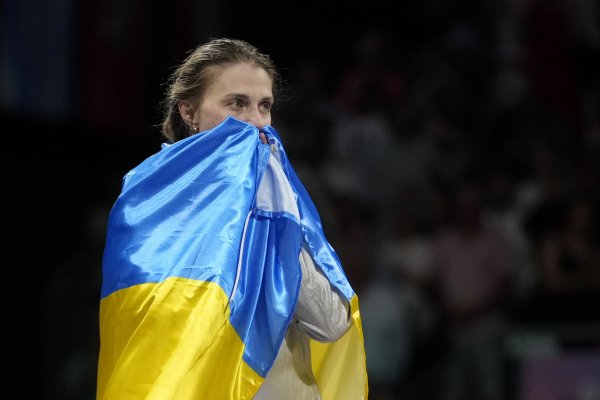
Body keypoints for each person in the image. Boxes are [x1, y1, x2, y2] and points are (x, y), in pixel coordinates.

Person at [97, 38, 368, 400]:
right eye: (237, 104)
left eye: (264, 106)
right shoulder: (145, 201)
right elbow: (142, 338)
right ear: (188, 113)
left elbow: (333, 323)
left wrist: (274, 217)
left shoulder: (278, 200)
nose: (256, 123)